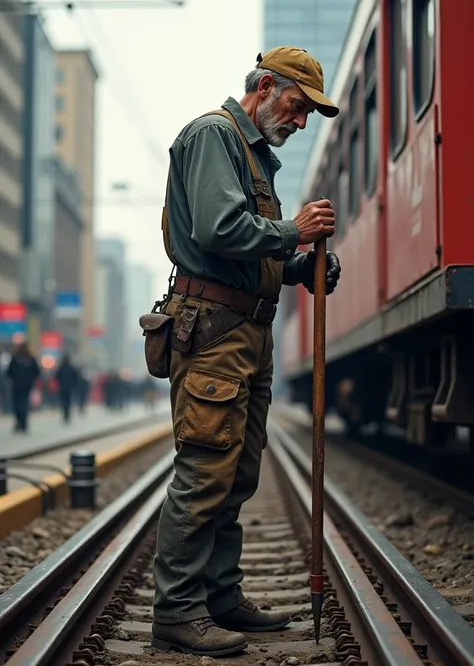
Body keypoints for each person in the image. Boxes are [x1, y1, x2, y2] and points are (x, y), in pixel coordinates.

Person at [151, 47, 342, 657]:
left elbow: (249, 252)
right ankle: (178, 612)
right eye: (297, 105)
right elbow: (217, 229)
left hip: (245, 333)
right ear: (265, 86)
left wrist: (299, 267)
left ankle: (220, 597)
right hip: (214, 332)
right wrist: (295, 233)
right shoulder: (215, 136)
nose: (301, 121)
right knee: (205, 470)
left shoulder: (256, 155)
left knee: (236, 475)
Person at [6, 341, 40, 432]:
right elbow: (37, 371)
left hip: (17, 385)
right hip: (26, 385)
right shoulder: (30, 358)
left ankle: (19, 422)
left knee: (17, 404)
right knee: (24, 403)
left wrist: (14, 378)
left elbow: (9, 372)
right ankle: (23, 423)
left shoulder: (15, 358)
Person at [55, 354, 78, 423]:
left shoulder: (61, 368)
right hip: (69, 388)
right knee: (68, 401)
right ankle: (67, 414)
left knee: (63, 401)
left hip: (62, 387)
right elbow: (75, 377)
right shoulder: (71, 368)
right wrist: (73, 385)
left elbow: (57, 376)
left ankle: (65, 414)